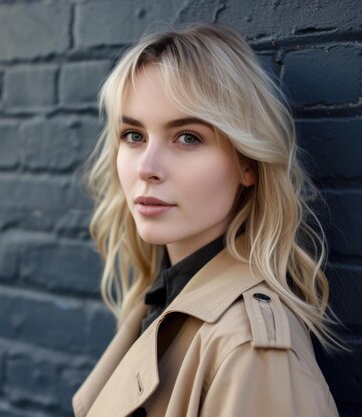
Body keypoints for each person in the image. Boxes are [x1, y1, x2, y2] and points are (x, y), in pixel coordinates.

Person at [73, 24, 341, 417]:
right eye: (133, 135)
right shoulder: (161, 303)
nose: (147, 168)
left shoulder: (249, 350)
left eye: (188, 137)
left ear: (247, 163)